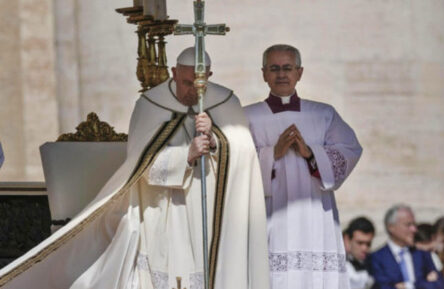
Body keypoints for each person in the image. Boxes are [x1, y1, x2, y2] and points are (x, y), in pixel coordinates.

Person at [0, 47, 270, 289]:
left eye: (200, 84)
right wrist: (186, 156)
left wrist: (215, 139)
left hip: (211, 209)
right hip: (164, 206)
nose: (193, 91)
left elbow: (244, 157)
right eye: (186, 83)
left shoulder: (225, 102)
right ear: (174, 72)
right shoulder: (151, 104)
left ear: (210, 74)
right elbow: (142, 166)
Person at [244, 44, 363, 289]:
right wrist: (271, 154)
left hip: (315, 214)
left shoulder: (323, 114)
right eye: (274, 68)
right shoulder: (247, 116)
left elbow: (350, 150)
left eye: (287, 68)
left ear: (299, 72)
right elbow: (235, 165)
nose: (281, 75)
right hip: (270, 213)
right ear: (264, 74)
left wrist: (310, 153)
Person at [370, 205, 444, 289]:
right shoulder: (377, 258)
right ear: (391, 227)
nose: (414, 229)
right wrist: (425, 283)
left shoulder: (422, 254)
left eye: (414, 225)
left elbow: (439, 284)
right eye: (408, 225)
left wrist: (409, 285)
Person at [343, 217, 376, 289]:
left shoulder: (373, 262)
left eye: (368, 244)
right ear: (347, 240)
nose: (364, 248)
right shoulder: (337, 265)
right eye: (359, 243)